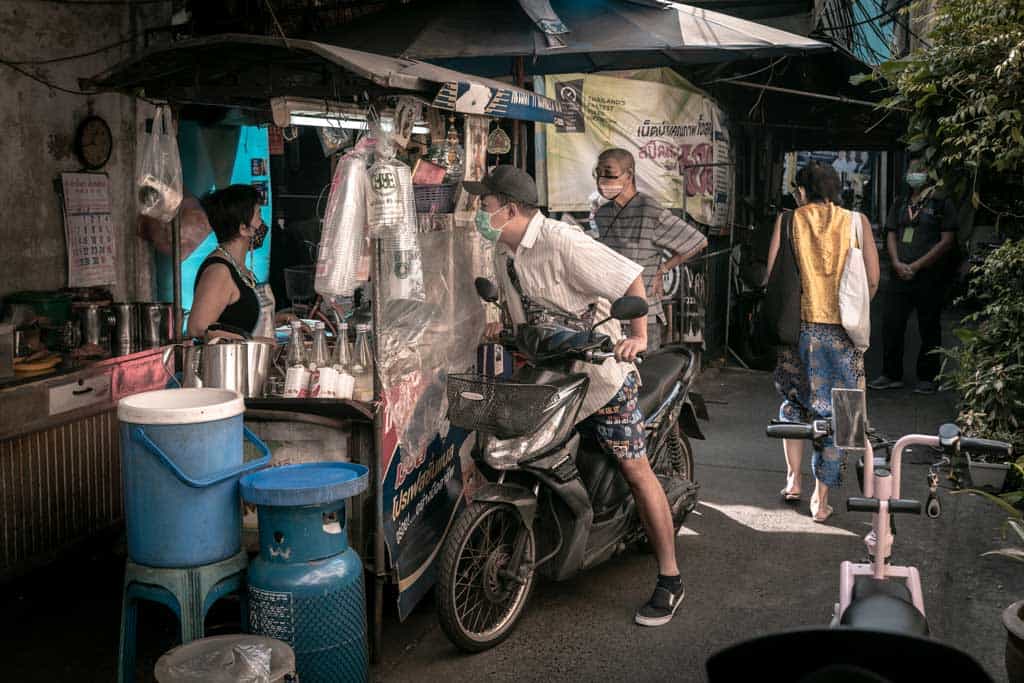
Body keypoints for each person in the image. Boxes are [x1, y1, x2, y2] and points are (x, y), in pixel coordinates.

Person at [463, 165, 686, 626]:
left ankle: (670, 577)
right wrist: (500, 326)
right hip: (550, 382)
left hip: (602, 381)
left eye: (484, 205)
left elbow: (630, 279)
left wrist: (638, 338)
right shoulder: (504, 253)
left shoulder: (563, 241)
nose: (479, 212)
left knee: (634, 467)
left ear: (509, 208)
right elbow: (524, 314)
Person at [765, 162, 880, 522]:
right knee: (844, 412)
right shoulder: (857, 222)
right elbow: (873, 279)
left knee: (795, 403)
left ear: (802, 190)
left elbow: (773, 276)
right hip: (843, 334)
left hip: (796, 331)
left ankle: (793, 480)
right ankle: (822, 495)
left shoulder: (788, 220)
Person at [593, 148, 708, 350]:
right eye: (598, 173)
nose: (602, 180)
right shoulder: (602, 215)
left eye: (609, 173)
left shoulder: (649, 210)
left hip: (643, 318)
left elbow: (697, 241)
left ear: (629, 176)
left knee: (643, 377)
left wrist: (662, 269)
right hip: (609, 316)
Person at [868, 158, 957, 394]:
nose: (913, 174)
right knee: (892, 323)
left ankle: (927, 377)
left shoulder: (941, 202)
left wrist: (917, 266)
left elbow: (947, 241)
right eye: (911, 170)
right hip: (899, 273)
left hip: (929, 275)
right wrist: (896, 262)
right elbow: (891, 233)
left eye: (920, 170)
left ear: (929, 173)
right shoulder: (900, 201)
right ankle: (891, 374)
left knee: (928, 326)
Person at [187, 185, 268, 339]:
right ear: (243, 229)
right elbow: (198, 328)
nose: (262, 223)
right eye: (259, 215)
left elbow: (240, 320)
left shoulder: (240, 268)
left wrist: (278, 319)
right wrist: (251, 342)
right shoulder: (219, 271)